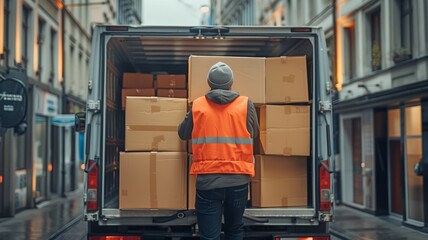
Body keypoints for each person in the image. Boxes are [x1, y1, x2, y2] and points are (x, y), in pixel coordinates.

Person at [178, 62, 259, 240]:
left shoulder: (198, 106)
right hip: (238, 181)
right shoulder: (246, 104)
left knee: (209, 236)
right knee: (235, 230)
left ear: (209, 83)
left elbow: (182, 133)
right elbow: (255, 133)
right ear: (231, 83)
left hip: (208, 182)